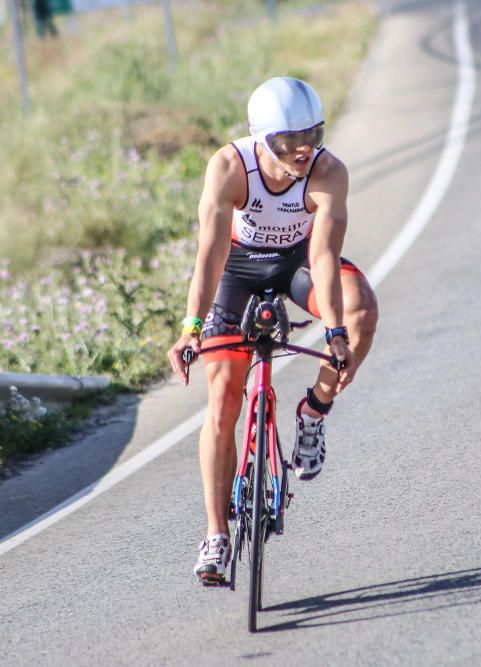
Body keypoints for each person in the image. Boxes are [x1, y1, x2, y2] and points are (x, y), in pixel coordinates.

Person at [167, 76, 379, 583]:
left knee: (361, 311)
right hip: (236, 269)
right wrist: (192, 327)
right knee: (223, 399)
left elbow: (324, 258)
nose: (303, 149)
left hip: (296, 263)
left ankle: (314, 412)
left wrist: (334, 333)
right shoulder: (228, 167)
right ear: (263, 139)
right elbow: (211, 253)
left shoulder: (327, 172)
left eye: (313, 134)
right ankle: (217, 534)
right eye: (289, 142)